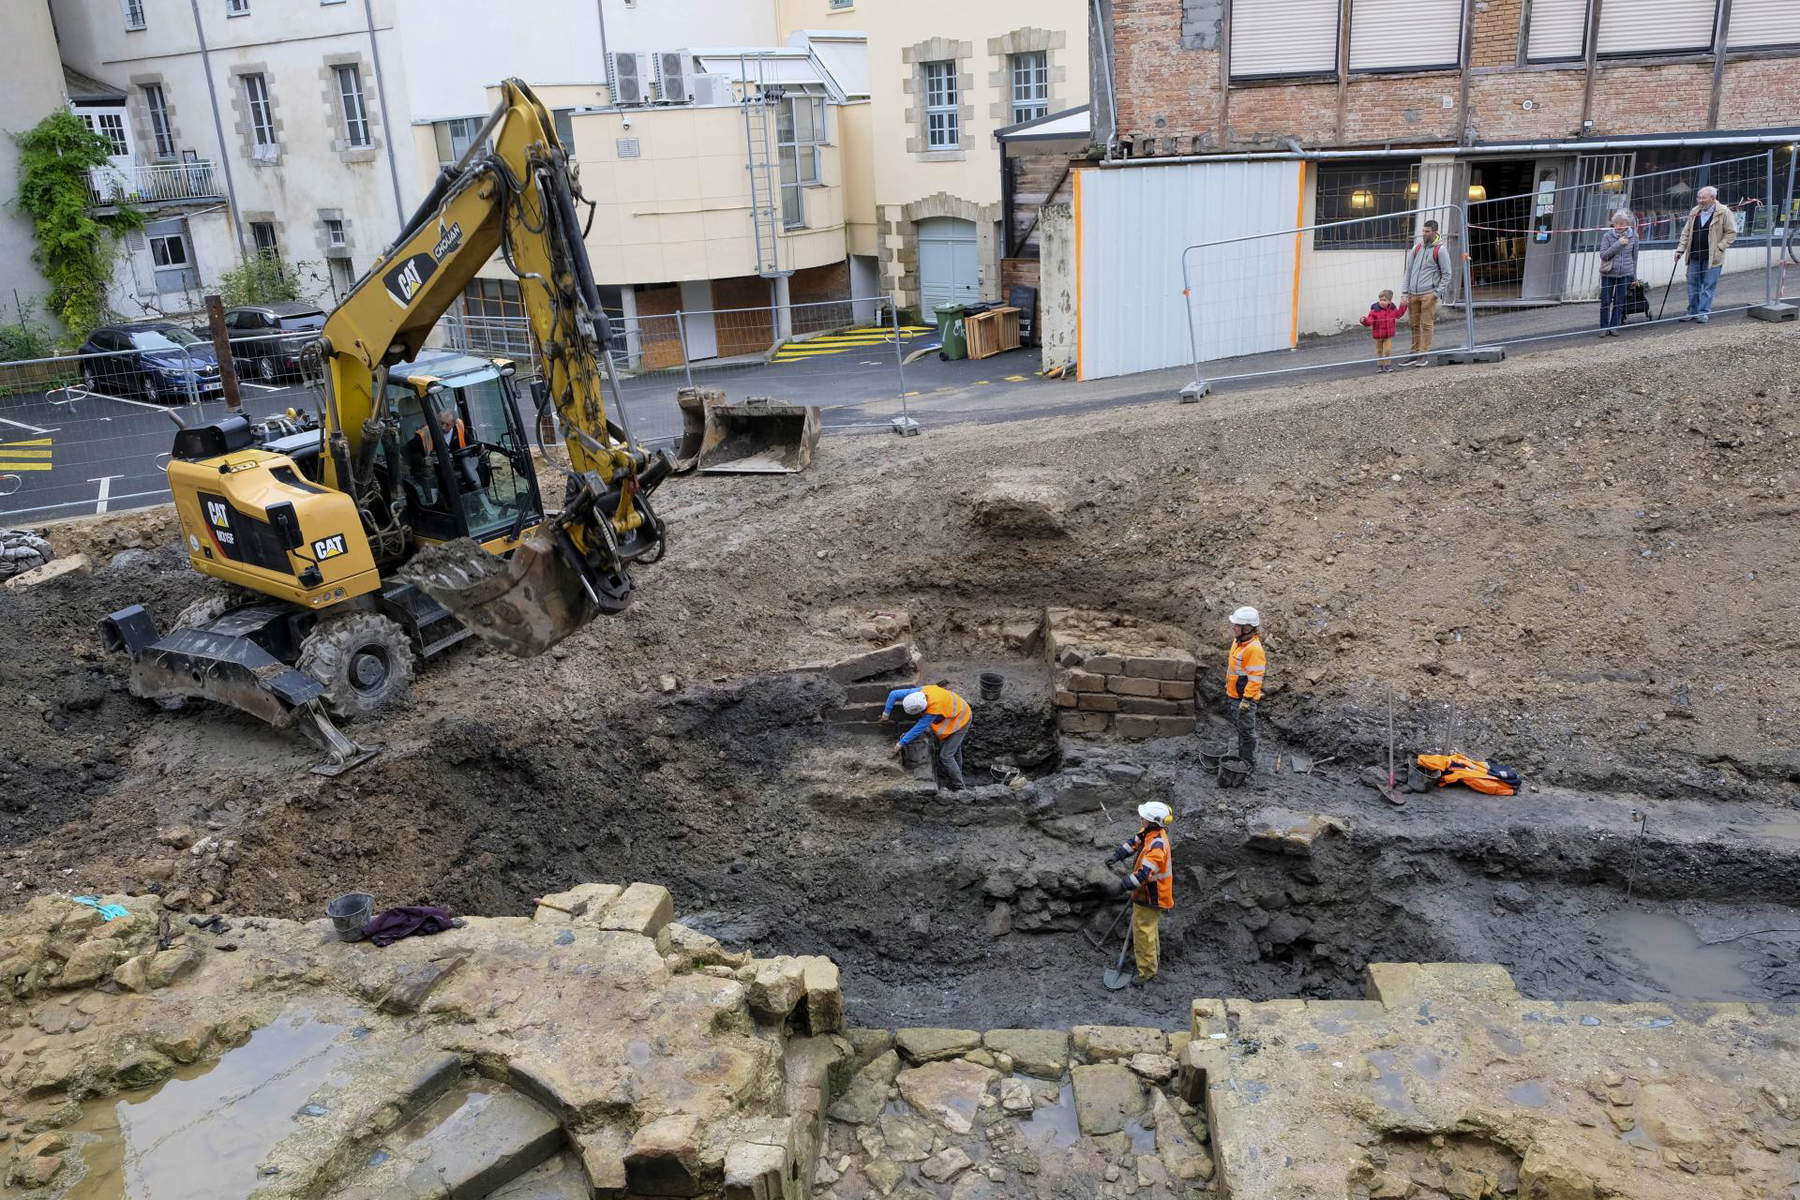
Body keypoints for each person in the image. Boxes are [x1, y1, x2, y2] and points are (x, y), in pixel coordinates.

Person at [1106, 801, 1175, 984]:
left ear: (1152, 821)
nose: (1140, 818)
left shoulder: (1158, 846)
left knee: (1143, 932)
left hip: (1152, 896)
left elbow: (1143, 875)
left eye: (1144, 817)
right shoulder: (1149, 832)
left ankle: (1147, 972)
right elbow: (1134, 842)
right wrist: (1118, 854)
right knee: (1148, 930)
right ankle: (1152, 961)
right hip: (1146, 893)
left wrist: (1121, 885)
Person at [881, 683, 972, 792]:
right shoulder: (918, 693)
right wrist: (885, 714)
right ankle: (956, 775)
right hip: (955, 710)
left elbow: (918, 729)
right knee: (953, 750)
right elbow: (893, 694)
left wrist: (900, 744)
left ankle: (960, 788)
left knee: (946, 756)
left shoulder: (933, 709)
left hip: (962, 718)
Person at [1675, 186, 1738, 323]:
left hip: (1713, 257)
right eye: (1699, 198)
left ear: (1713, 198)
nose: (1700, 201)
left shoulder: (1724, 212)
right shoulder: (1694, 211)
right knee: (1692, 284)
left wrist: (1720, 248)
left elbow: (1731, 233)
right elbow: (1686, 233)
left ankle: (1703, 313)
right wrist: (1680, 249)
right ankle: (1692, 311)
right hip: (1694, 255)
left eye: (1703, 198)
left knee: (1708, 286)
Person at [1402, 219, 1453, 365]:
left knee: (1426, 324)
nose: (1424, 234)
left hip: (1428, 294)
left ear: (1435, 232)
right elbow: (1409, 271)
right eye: (1423, 231)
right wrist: (1405, 293)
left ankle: (1423, 354)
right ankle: (1414, 352)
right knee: (1413, 325)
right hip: (1413, 294)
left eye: (1427, 231)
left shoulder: (1440, 250)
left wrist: (1436, 294)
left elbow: (1447, 274)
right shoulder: (1416, 248)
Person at [1224, 605, 1265, 769]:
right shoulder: (1238, 641)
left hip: (1244, 699)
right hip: (1235, 694)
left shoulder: (1254, 649)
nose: (1233, 627)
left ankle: (1248, 764)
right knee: (1241, 729)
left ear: (1247, 628)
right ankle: (1242, 758)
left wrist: (1247, 700)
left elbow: (1255, 679)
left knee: (1247, 732)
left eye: (1237, 625)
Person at [1597, 210, 1638, 337]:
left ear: (1627, 223)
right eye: (1616, 223)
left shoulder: (1634, 236)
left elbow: (1634, 257)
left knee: (1619, 302)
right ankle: (1604, 327)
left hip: (1625, 274)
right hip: (1608, 274)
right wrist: (1618, 244)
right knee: (1605, 302)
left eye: (1622, 223)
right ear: (1613, 224)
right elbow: (1603, 255)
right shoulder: (1607, 236)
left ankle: (1614, 327)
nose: (1619, 226)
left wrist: (1634, 276)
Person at [1359, 289, 1408, 373]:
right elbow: (1370, 321)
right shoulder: (1375, 310)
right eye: (1380, 300)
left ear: (1389, 301)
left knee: (1388, 350)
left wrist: (1403, 305)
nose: (1382, 302)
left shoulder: (1392, 309)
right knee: (1379, 351)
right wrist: (1364, 320)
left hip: (1388, 336)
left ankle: (1387, 365)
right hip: (1378, 336)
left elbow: (1399, 314)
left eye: (1384, 300)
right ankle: (1380, 365)